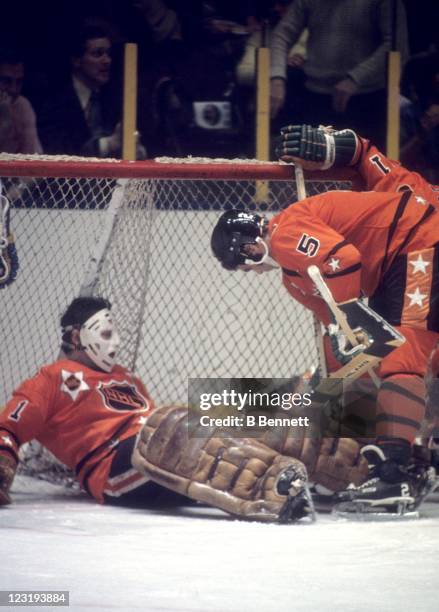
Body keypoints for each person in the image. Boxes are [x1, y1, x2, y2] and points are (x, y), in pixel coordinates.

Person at [210, 124, 439, 513]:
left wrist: (350, 318)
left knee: (403, 360)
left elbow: (345, 262)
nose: (247, 271)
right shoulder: (292, 280)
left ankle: (395, 475)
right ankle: (416, 462)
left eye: (241, 264)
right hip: (400, 260)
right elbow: (343, 343)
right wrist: (321, 394)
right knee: (406, 360)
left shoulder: (284, 232)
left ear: (248, 247)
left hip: (416, 247)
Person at [0, 294, 367, 521]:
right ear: (77, 337)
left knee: (248, 408)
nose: (115, 343)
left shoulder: (127, 378)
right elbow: (10, 426)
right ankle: (273, 489)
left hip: (160, 455)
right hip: (116, 469)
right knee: (172, 427)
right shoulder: (52, 378)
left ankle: (359, 473)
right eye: (105, 334)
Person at [269, 0, 409, 150]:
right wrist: (277, 77)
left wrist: (356, 78)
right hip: (315, 96)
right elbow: (282, 35)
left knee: (365, 167)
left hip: (366, 101)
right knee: (311, 165)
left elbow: (397, 47)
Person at [37, 22, 145, 158]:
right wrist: (109, 144)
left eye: (108, 53)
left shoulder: (115, 97)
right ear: (76, 60)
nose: (107, 61)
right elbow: (56, 152)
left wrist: (137, 150)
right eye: (98, 54)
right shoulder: (54, 101)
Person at [0, 49, 42, 154]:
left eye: (18, 82)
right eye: (6, 81)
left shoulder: (23, 105)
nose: (14, 89)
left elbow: (31, 154)